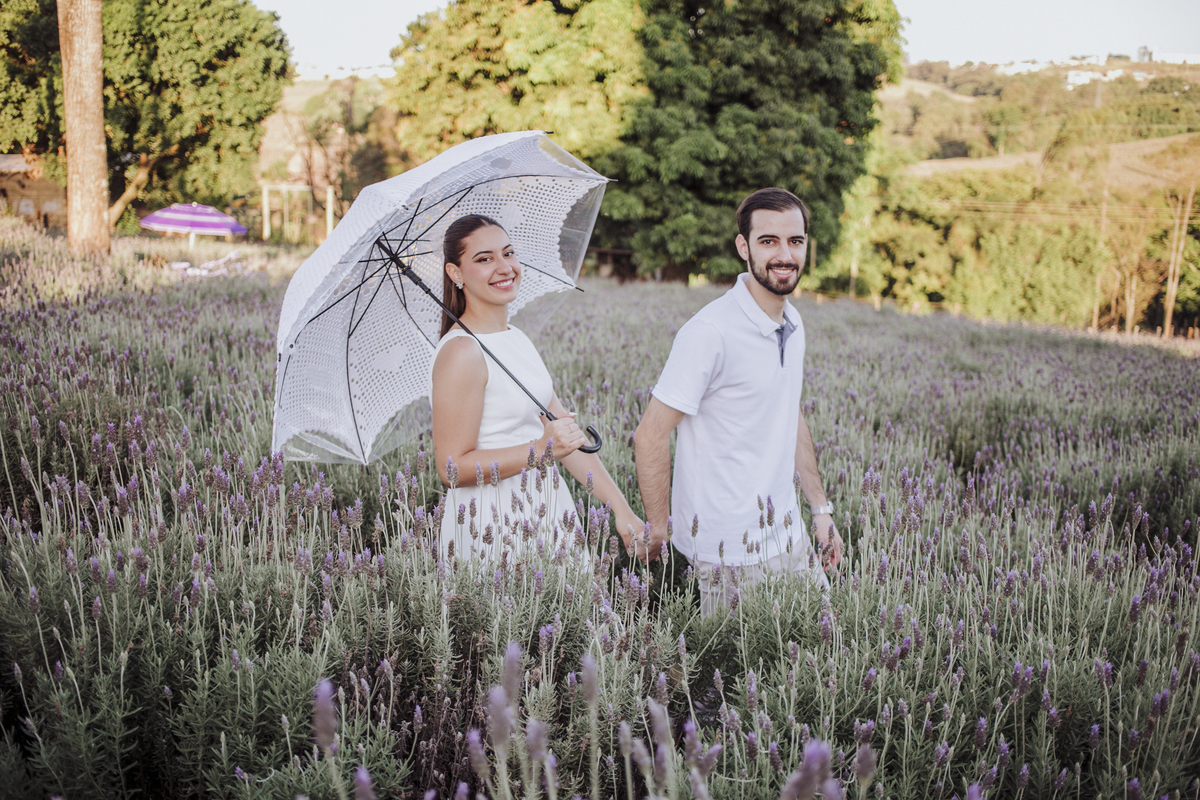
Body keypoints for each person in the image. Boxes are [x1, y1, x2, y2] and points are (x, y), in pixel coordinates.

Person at [633, 188, 843, 615]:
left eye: (795, 241)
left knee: (826, 645)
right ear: (743, 247)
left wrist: (820, 509)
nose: (785, 255)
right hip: (727, 551)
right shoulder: (710, 332)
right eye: (769, 241)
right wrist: (659, 531)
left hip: (789, 533)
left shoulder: (793, 322)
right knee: (741, 658)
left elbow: (789, 412)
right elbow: (649, 435)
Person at [430, 214, 642, 560]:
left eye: (508, 253)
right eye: (484, 259)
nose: (504, 267)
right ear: (455, 273)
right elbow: (451, 468)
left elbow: (566, 438)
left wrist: (622, 510)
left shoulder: (516, 337)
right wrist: (540, 450)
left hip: (547, 508)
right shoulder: (462, 352)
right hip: (491, 526)